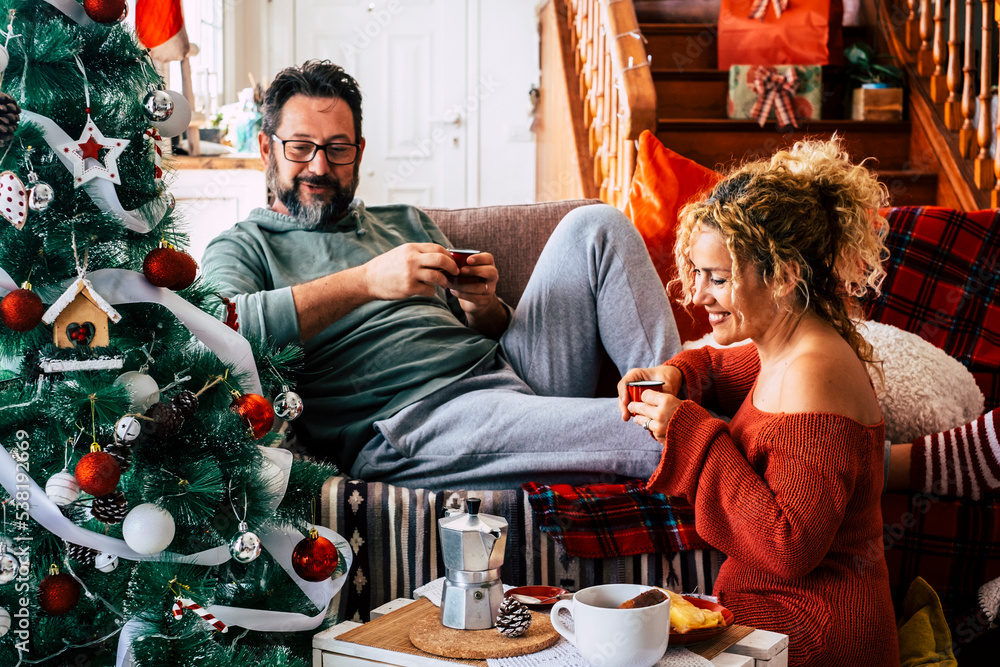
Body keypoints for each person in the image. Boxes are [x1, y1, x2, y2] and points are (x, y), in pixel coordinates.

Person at [201, 60, 681, 489]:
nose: (320, 166)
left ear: (360, 152)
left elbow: (481, 328)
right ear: (267, 147)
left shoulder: (403, 221)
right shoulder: (244, 245)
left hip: (505, 373)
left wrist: (483, 306)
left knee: (595, 224)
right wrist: (367, 281)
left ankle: (677, 384)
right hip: (413, 420)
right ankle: (693, 429)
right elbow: (216, 329)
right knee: (671, 438)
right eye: (300, 148)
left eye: (337, 148)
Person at [618, 139, 899, 666]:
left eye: (718, 278)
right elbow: (725, 371)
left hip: (815, 637)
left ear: (785, 274)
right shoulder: (787, 344)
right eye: (697, 274)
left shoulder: (815, 373)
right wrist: (677, 373)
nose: (698, 296)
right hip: (775, 621)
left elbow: (788, 546)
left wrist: (692, 431)